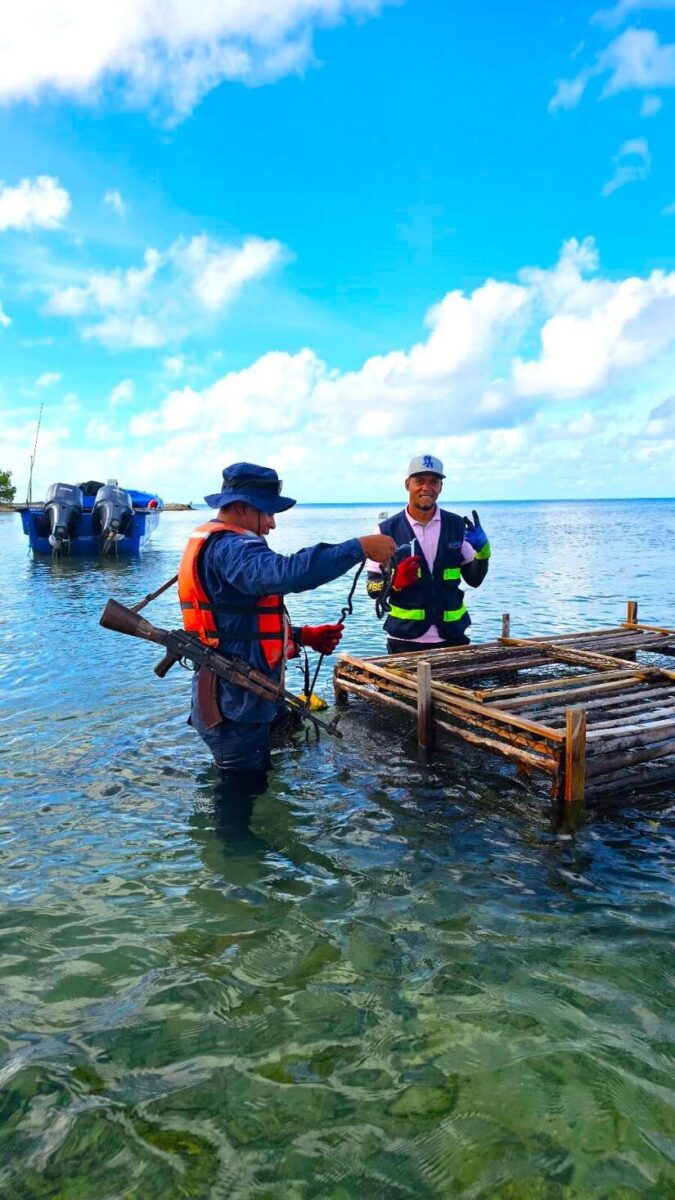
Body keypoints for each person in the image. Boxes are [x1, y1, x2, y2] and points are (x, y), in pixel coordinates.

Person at [179, 461, 396, 773]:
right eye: (267, 512)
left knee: (258, 785)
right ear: (241, 507)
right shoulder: (233, 549)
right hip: (234, 710)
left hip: (241, 701)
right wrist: (358, 548)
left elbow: (237, 626)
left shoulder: (220, 546)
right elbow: (289, 573)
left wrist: (302, 636)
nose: (271, 523)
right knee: (239, 803)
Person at [366, 454, 490, 654]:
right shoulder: (385, 531)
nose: (427, 487)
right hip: (405, 639)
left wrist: (483, 553)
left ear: (441, 487)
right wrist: (395, 582)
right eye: (419, 481)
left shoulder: (457, 525)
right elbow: (372, 588)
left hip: (452, 637)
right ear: (407, 484)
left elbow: (474, 579)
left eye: (434, 482)